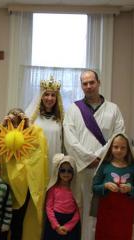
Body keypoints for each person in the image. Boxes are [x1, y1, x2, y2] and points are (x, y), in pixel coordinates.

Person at [63, 69, 125, 240]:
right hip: (83, 168)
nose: (89, 86)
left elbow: (118, 137)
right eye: (85, 83)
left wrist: (99, 158)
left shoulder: (113, 109)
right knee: (82, 208)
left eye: (92, 82)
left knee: (105, 209)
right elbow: (70, 139)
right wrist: (89, 158)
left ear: (99, 83)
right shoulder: (74, 109)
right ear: (81, 86)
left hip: (105, 167)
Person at [0, 108, 49, 240]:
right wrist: (2, 125)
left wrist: (27, 122)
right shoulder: (1, 135)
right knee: (1, 223)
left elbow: (39, 146)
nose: (15, 125)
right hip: (3, 187)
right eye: (12, 121)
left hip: (23, 188)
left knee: (17, 225)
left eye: (17, 121)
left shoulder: (29, 136)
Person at [91, 133, 134, 240]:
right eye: (116, 147)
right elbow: (94, 187)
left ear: (128, 149)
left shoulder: (132, 168)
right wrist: (105, 186)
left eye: (123, 147)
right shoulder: (104, 166)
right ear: (110, 148)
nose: (119, 150)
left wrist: (130, 189)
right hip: (106, 211)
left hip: (125, 213)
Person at [26, 76, 64, 173]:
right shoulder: (32, 118)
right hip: (36, 160)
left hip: (54, 159)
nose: (49, 98)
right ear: (41, 96)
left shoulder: (62, 119)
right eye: (46, 94)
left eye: (53, 95)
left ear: (57, 98)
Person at [44, 154, 81, 240]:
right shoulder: (53, 188)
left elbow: (79, 210)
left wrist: (68, 226)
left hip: (70, 225)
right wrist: (56, 226)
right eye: (63, 170)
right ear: (58, 171)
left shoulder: (75, 190)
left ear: (73, 172)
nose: (66, 173)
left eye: (69, 171)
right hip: (54, 224)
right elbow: (49, 207)